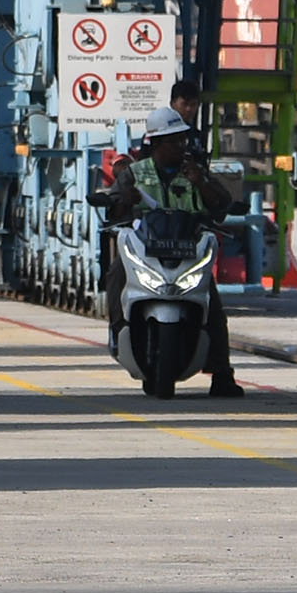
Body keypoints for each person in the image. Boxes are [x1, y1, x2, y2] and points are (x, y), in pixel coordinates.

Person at [103, 107, 243, 397]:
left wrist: (201, 182)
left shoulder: (194, 171)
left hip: (188, 252)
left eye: (182, 140)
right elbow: (113, 211)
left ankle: (222, 374)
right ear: (156, 144)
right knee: (116, 275)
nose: (181, 146)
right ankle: (119, 332)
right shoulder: (134, 174)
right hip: (146, 252)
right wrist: (124, 201)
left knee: (213, 305)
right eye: (173, 141)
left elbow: (221, 206)